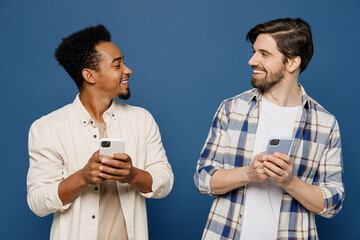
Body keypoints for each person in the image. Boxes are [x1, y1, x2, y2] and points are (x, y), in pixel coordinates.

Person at [194, 18, 344, 240]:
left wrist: (289, 182)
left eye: (264, 54)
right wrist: (249, 173)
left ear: (292, 63)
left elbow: (333, 201)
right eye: (254, 52)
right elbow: (203, 178)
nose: (251, 60)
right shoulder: (232, 109)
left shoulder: (325, 123)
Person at [27, 24, 174, 240]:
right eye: (117, 65)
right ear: (89, 75)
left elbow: (165, 182)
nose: (128, 70)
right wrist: (83, 177)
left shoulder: (141, 119)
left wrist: (132, 174)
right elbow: (38, 202)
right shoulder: (47, 128)